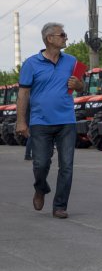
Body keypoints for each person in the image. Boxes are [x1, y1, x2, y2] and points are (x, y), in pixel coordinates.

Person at [15, 22, 84, 219]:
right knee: (40, 164)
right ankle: (40, 188)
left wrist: (79, 84)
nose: (66, 37)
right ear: (49, 39)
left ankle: (60, 206)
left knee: (67, 166)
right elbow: (23, 94)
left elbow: (81, 87)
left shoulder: (72, 61)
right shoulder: (31, 63)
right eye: (62, 35)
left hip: (66, 122)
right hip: (40, 122)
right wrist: (21, 121)